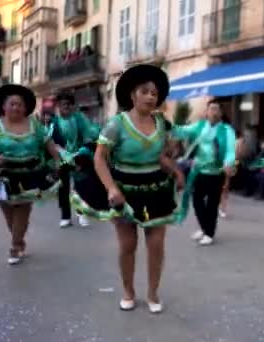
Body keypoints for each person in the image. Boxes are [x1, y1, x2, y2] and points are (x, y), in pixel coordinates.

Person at [71, 64, 184, 313]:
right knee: (128, 245)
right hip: (124, 189)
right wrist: (111, 188)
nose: (150, 97)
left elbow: (161, 157)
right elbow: (100, 158)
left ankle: (153, 293)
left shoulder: (161, 123)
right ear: (133, 95)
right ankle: (128, 291)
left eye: (154, 93)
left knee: (156, 244)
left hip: (156, 189)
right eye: (145, 91)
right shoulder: (117, 124)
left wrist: (175, 170)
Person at [0, 84, 61, 265]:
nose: (16, 107)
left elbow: (49, 144)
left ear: (26, 108)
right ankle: (19, 240)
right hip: (3, 177)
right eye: (12, 104)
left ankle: (15, 247)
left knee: (22, 211)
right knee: (10, 216)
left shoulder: (35, 124)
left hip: (30, 175)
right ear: (3, 106)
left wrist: (57, 161)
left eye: (20, 104)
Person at [171, 100, 236, 246]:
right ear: (206, 112)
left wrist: (227, 164)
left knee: (212, 204)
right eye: (211, 109)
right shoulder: (200, 126)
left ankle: (209, 233)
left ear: (221, 113)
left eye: (216, 109)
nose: (213, 112)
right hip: (199, 171)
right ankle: (204, 228)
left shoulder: (227, 130)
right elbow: (182, 131)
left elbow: (230, 151)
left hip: (216, 172)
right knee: (197, 201)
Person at [51, 92, 99, 228]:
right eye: (63, 104)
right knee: (63, 187)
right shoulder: (54, 122)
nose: (66, 106)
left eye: (68, 104)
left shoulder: (79, 118)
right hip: (63, 158)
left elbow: (89, 134)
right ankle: (65, 216)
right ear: (58, 106)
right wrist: (62, 153)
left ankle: (81, 212)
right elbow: (51, 142)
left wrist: (85, 148)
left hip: (80, 156)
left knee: (82, 186)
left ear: (72, 106)